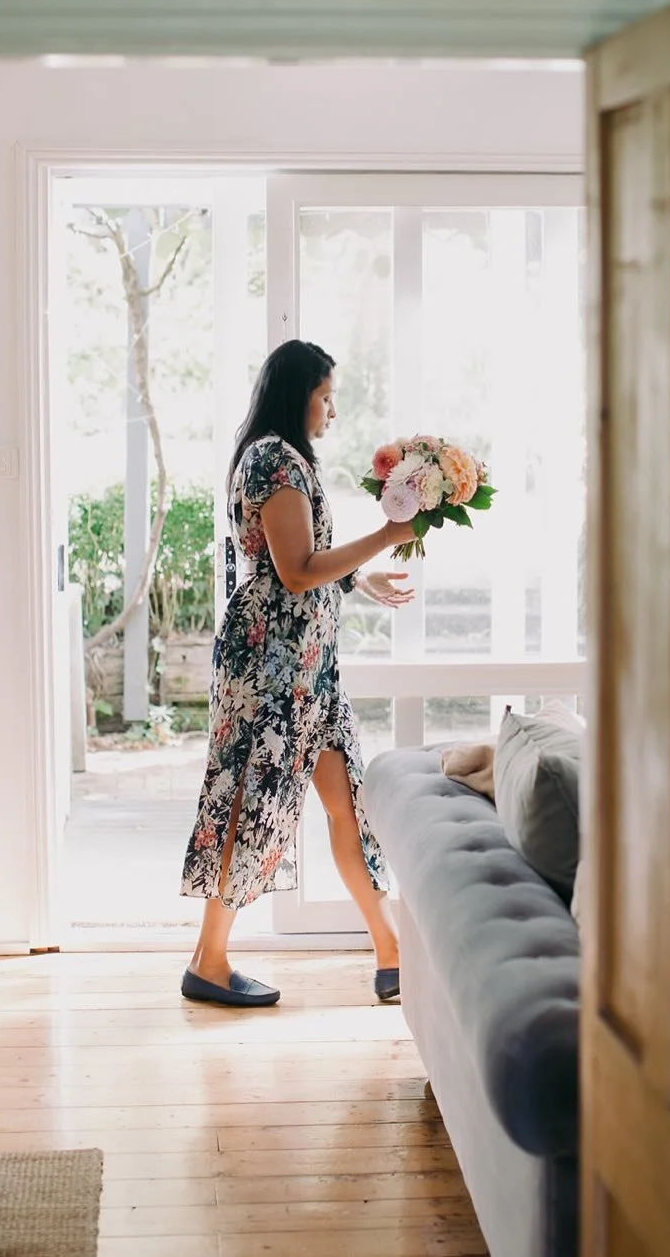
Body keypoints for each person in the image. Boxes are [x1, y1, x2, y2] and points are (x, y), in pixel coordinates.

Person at [179, 339, 417, 1008]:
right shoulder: (273, 461)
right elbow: (295, 571)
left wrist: (362, 578)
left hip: (311, 671)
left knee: (350, 806)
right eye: (325, 394)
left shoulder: (279, 458)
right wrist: (385, 535)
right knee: (250, 808)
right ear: (298, 392)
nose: (332, 410)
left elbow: (303, 563)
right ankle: (210, 961)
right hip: (272, 672)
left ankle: (391, 953)